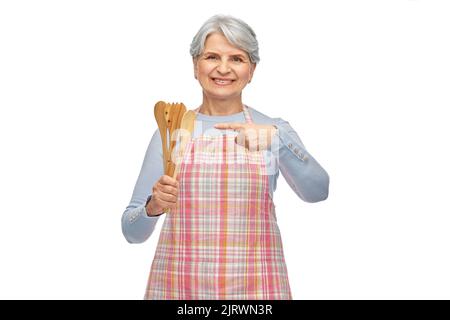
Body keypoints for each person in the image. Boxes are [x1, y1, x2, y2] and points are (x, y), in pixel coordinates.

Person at [121, 14, 329, 300]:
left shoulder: (273, 129)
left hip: (258, 289)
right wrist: (153, 206)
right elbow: (132, 232)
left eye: (237, 58)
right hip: (181, 288)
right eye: (212, 56)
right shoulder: (171, 131)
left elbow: (318, 192)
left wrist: (278, 142)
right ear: (195, 65)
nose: (223, 68)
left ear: (252, 70)